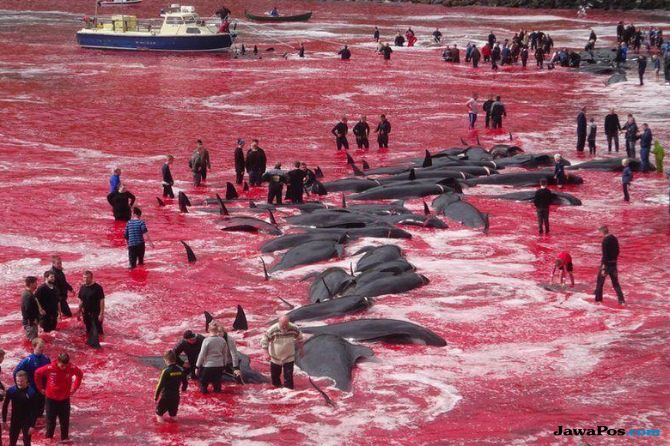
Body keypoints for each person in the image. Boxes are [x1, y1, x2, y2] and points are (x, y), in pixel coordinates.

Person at [34, 353, 83, 443]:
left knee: (65, 422)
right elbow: (37, 373)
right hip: (51, 400)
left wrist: (74, 388)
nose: (63, 367)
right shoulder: (50, 368)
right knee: (50, 421)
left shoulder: (72, 368)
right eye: (62, 365)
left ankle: (64, 439)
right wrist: (40, 388)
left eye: (66, 365)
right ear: (58, 362)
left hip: (64, 399)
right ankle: (48, 439)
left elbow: (80, 374)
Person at [261, 315, 303, 389]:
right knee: (275, 377)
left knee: (289, 377)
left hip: (289, 357)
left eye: (286, 325)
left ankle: (289, 393)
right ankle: (277, 393)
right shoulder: (272, 329)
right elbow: (264, 341)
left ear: (289, 323)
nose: (284, 327)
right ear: (278, 322)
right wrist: (266, 353)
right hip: (275, 357)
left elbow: (300, 339)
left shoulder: (294, 328)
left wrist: (301, 350)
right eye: (282, 325)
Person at [195, 323, 240, 394]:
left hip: (208, 366)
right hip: (219, 366)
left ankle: (207, 403)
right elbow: (224, 354)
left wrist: (197, 366)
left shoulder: (206, 340)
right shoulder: (223, 340)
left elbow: (202, 354)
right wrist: (224, 365)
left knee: (203, 384)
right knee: (217, 386)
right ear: (217, 330)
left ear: (209, 330)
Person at [14, 338, 50, 423]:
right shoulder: (28, 360)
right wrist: (19, 386)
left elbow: (49, 373)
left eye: (43, 347)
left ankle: (40, 433)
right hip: (31, 388)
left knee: (40, 413)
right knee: (30, 413)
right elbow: (16, 372)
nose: (42, 349)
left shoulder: (46, 358)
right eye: (40, 347)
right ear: (34, 347)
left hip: (42, 389)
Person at [2, 371, 36, 446]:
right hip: (15, 419)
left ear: (27, 380)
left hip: (27, 420)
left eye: (22, 381)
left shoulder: (31, 392)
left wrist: (32, 426)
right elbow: (5, 406)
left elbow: (34, 410)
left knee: (27, 442)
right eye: (17, 381)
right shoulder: (11, 391)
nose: (19, 383)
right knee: (12, 442)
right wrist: (4, 421)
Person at [594, 226, 625, 305]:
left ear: (602, 232)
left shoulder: (605, 241)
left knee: (600, 282)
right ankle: (621, 300)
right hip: (614, 264)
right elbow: (618, 251)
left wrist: (604, 265)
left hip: (606, 265)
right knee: (615, 283)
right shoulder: (614, 238)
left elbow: (605, 254)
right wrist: (614, 260)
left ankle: (598, 300)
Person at [154, 350, 187, 423]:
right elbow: (185, 382)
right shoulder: (180, 370)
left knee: (159, 414)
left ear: (166, 360)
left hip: (166, 396)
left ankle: (161, 431)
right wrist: (184, 389)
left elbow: (160, 385)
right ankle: (176, 431)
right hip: (176, 397)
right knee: (173, 415)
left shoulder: (166, 371)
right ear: (175, 359)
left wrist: (155, 397)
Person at [77, 271, 105, 338]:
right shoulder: (82, 287)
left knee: (98, 331)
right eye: (84, 278)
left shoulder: (98, 288)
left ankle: (103, 344)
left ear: (91, 278)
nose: (85, 279)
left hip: (95, 313)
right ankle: (90, 345)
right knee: (88, 330)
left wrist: (101, 313)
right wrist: (79, 312)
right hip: (86, 313)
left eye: (87, 278)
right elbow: (81, 300)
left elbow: (102, 301)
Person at [21, 276, 40, 341]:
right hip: (30, 322)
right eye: (35, 283)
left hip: (30, 321)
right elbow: (27, 309)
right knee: (33, 341)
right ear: (31, 284)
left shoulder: (29, 293)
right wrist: (33, 320)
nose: (36, 284)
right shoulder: (28, 295)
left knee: (34, 341)